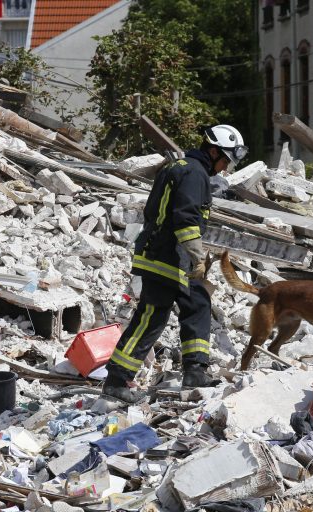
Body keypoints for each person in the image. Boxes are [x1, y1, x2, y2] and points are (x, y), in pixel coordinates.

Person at [102, 125, 248, 403]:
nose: (226, 168)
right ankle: (116, 380)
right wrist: (197, 256)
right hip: (165, 256)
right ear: (214, 150)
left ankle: (195, 372)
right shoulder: (194, 173)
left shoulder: (184, 168)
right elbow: (186, 218)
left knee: (198, 303)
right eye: (225, 160)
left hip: (172, 256)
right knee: (152, 317)